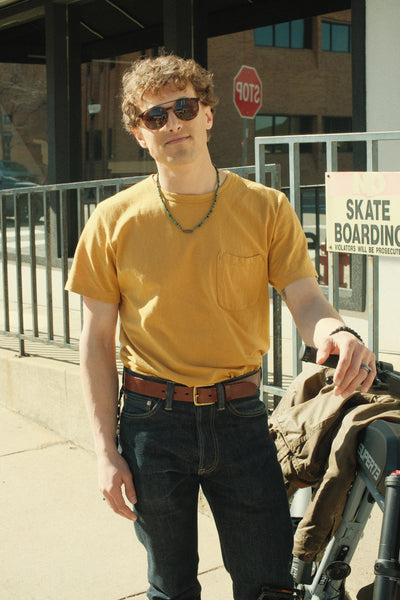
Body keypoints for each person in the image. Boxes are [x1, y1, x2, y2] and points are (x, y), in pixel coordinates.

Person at [65, 54, 376, 600]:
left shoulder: (266, 208)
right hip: (150, 423)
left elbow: (305, 299)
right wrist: (104, 452)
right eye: (154, 116)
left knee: (267, 584)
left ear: (208, 114)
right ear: (140, 134)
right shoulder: (111, 219)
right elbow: (95, 343)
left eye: (183, 107)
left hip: (242, 419)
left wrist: (337, 332)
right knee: (171, 586)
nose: (172, 124)